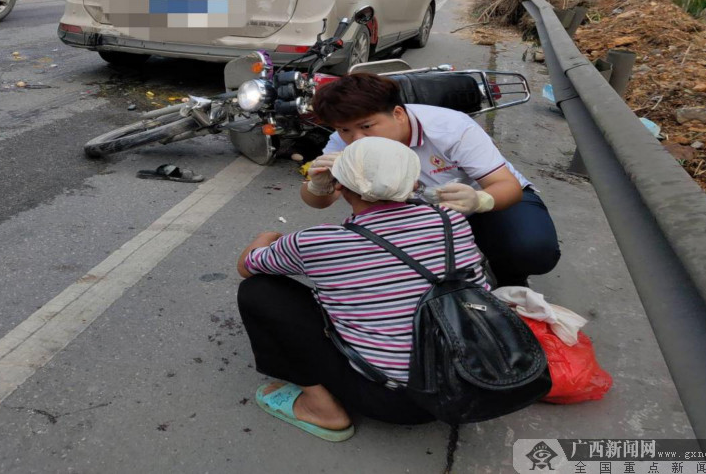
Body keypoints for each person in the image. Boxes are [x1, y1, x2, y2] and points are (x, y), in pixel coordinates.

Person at [238, 137, 489, 440]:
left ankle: (323, 409)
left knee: (259, 291)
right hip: (475, 384)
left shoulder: (316, 243)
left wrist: (269, 235)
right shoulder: (451, 221)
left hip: (397, 403)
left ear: (339, 185)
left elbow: (247, 266)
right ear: (413, 185)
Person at [301, 73, 560, 288]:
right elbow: (321, 202)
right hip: (411, 212)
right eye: (344, 129)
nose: (357, 139)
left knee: (531, 249)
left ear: (399, 114)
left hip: (479, 200)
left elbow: (506, 185)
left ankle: (508, 275)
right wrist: (317, 186)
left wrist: (479, 200)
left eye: (367, 126)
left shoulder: (451, 128)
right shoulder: (341, 142)